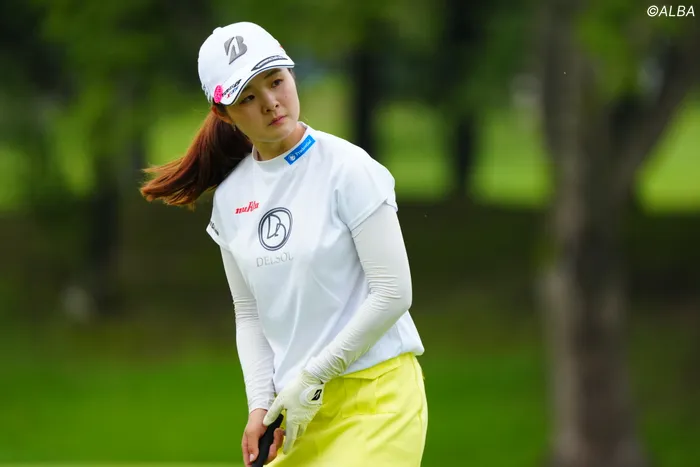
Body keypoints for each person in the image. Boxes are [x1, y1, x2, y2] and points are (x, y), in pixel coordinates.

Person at [140, 21, 427, 466]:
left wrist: (313, 376)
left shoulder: (349, 169)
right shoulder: (232, 199)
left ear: (291, 74)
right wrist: (260, 405)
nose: (270, 102)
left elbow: (393, 293)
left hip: (378, 401)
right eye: (248, 97)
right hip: (298, 413)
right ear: (224, 113)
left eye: (276, 81)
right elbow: (249, 312)